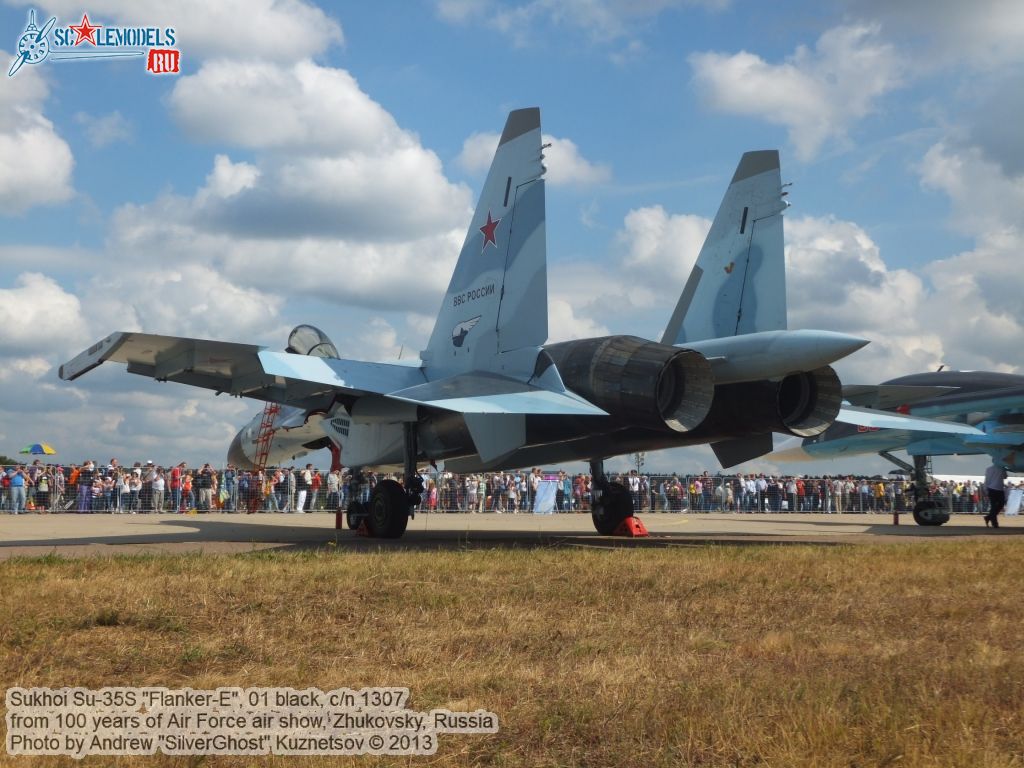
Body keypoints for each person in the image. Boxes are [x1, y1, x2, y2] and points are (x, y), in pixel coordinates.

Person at [984, 461, 1008, 528]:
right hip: (997, 489)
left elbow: (987, 480)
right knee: (998, 505)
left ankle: (989, 517)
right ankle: (994, 523)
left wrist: (986, 490)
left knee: (995, 506)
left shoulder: (989, 469)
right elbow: (1005, 477)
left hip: (993, 489)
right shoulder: (1001, 468)